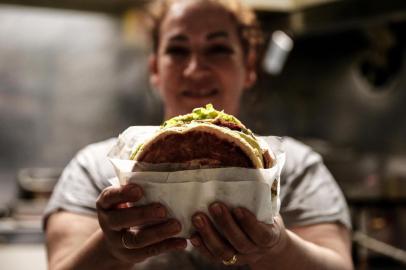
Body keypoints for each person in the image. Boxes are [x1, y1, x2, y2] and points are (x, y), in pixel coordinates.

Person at [44, 0, 354, 269]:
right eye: (178, 50)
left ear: (248, 66)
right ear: (155, 69)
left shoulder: (295, 168)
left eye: (217, 49)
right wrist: (109, 249)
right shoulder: (96, 169)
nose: (195, 69)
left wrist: (278, 248)